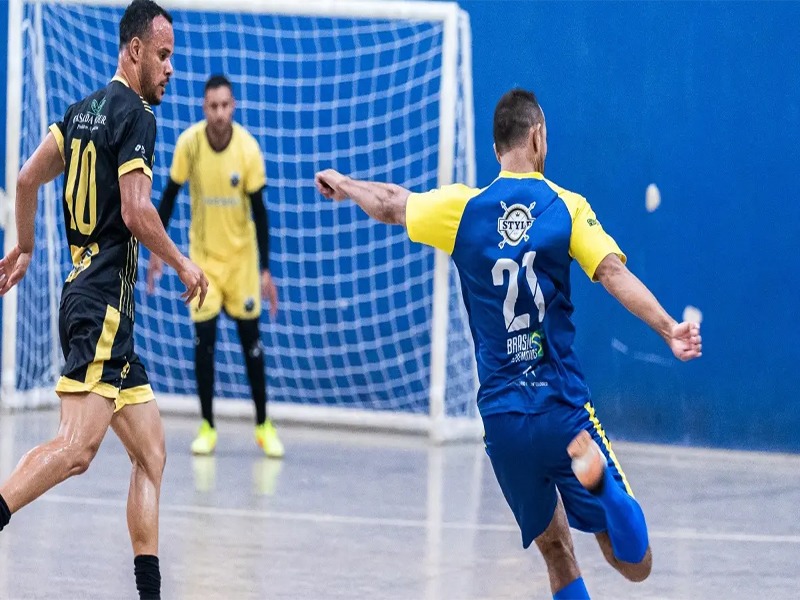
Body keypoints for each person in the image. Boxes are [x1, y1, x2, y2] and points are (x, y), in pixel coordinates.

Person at [315, 88, 702, 599]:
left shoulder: (462, 209)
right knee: (635, 563)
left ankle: (598, 492)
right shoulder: (566, 207)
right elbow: (612, 273)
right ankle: (603, 489)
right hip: (561, 407)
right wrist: (668, 327)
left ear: (497, 148)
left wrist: (345, 184)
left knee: (556, 550)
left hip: (502, 420)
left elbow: (390, 202)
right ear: (537, 137)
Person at [0, 2, 208, 598]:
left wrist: (26, 246)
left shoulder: (79, 113)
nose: (170, 68)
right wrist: (183, 262)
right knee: (76, 449)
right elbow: (137, 211)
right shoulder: (136, 114)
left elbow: (25, 179)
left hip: (90, 301)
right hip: (103, 307)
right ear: (134, 51)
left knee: (152, 453)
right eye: (163, 55)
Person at [146, 75, 283, 458]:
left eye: (225, 105)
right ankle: (207, 425)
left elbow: (260, 213)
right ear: (204, 108)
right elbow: (169, 197)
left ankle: (263, 425)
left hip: (241, 263)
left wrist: (265, 270)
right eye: (213, 106)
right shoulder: (189, 144)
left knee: (251, 344)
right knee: (204, 344)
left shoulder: (248, 150)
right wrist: (157, 250)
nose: (220, 113)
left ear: (233, 106)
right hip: (203, 262)